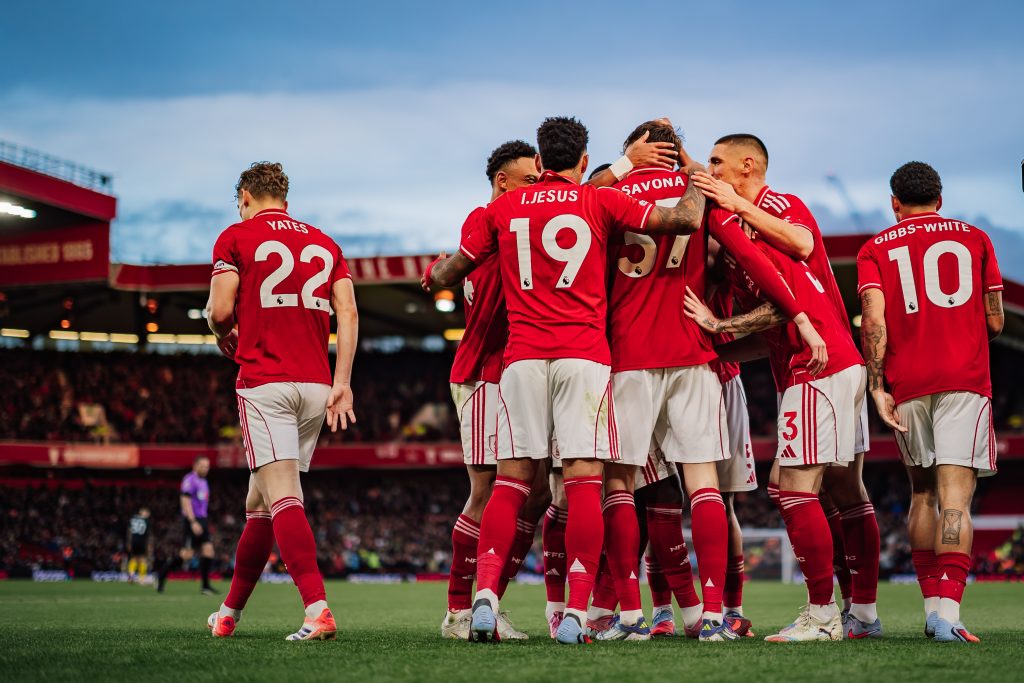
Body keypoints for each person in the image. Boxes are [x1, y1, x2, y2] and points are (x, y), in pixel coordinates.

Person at [423, 115, 709, 644]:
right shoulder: (599, 201)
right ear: (583, 161)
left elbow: (446, 274)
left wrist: (435, 272)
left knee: (511, 480)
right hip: (583, 356)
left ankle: (485, 596)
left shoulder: (500, 209)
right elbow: (685, 220)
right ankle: (576, 613)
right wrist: (692, 175)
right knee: (582, 482)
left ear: (539, 159)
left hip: (523, 359)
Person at [593, 120, 817, 643]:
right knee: (705, 487)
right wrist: (795, 313)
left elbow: (570, 204)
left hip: (628, 355)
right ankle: (715, 617)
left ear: (633, 149)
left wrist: (622, 164)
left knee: (621, 484)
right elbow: (749, 257)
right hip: (694, 354)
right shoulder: (701, 192)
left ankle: (629, 619)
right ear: (677, 153)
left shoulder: (607, 193)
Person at [693, 135, 881, 637]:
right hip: (829, 361)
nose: (710, 170)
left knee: (790, 488)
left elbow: (800, 248)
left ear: (746, 165)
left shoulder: (775, 204)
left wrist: (719, 325)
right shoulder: (739, 239)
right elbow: (769, 335)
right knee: (846, 489)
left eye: (717, 162)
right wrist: (712, 352)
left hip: (817, 364)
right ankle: (862, 612)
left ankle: (821, 615)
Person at [204, 161, 359, 641]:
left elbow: (221, 309)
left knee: (284, 496)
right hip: (315, 384)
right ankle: (228, 612)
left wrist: (220, 331)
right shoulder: (325, 243)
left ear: (245, 197)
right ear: (285, 200)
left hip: (266, 381)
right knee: (261, 502)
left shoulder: (236, 235)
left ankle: (318, 610)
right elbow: (348, 311)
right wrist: (343, 380)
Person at [857, 161, 1003, 643]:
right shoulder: (976, 239)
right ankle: (948, 614)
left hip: (909, 384)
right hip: (963, 380)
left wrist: (877, 387)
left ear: (894, 203)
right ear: (940, 199)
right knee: (956, 498)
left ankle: (929, 609)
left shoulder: (875, 247)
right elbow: (997, 321)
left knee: (922, 494)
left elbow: (873, 321)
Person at [443, 139, 549, 641]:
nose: (539, 189)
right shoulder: (485, 219)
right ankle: (460, 610)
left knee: (537, 493)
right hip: (486, 372)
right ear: (503, 181)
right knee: (486, 492)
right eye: (530, 180)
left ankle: (491, 599)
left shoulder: (518, 221)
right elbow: (487, 291)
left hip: (519, 371)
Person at [163, 456, 216, 594]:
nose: (206, 469)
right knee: (187, 555)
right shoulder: (189, 479)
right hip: (192, 520)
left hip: (202, 520)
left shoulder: (204, 481)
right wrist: (193, 522)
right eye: (203, 466)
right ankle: (162, 574)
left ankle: (205, 586)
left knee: (208, 550)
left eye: (207, 466)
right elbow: (185, 501)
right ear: (195, 466)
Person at [126, 507, 152, 584]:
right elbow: (148, 535)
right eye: (147, 513)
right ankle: (142, 579)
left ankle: (131, 576)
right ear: (142, 512)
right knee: (143, 559)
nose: (148, 514)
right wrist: (149, 545)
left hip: (133, 541)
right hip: (142, 541)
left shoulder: (132, 519)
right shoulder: (146, 521)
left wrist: (129, 542)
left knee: (133, 558)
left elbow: (129, 531)